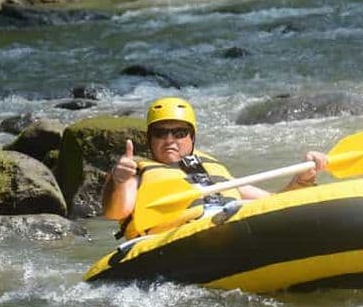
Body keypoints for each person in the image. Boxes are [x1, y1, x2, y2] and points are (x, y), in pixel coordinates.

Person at [102, 96, 328, 240]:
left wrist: (303, 179)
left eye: (179, 133)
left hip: (230, 229)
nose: (169, 139)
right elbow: (116, 212)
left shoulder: (212, 171)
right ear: (150, 139)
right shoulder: (137, 173)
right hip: (175, 242)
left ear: (192, 138)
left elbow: (273, 201)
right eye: (160, 133)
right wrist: (118, 181)